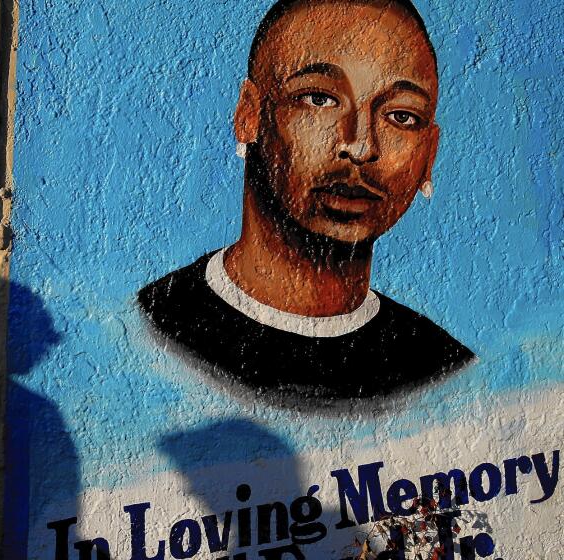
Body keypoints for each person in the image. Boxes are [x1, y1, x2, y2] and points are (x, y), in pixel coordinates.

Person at [138, 0, 476, 406]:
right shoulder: (149, 329)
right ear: (249, 115)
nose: (360, 145)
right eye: (319, 99)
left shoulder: (446, 372)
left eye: (401, 117)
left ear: (429, 155)